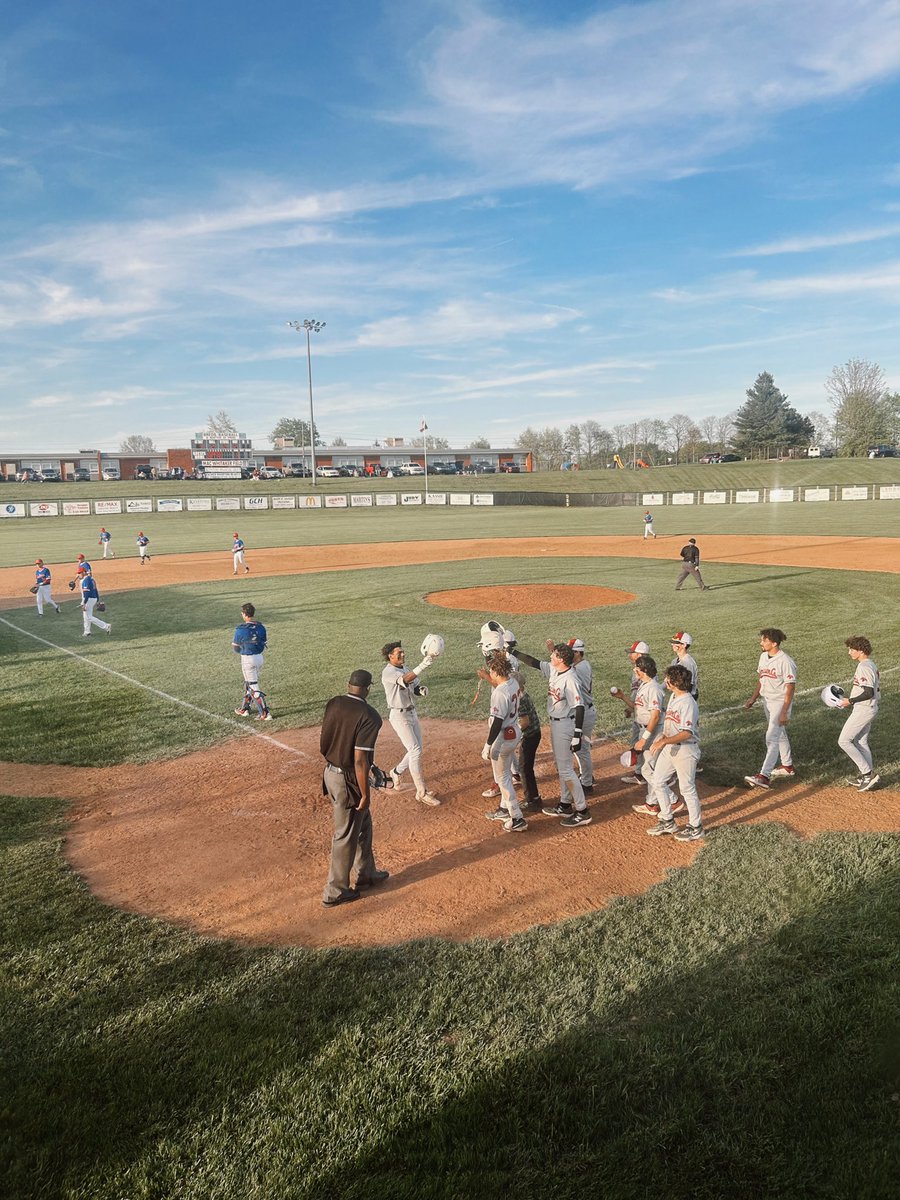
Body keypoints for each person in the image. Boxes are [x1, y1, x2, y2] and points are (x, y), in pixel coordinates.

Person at [320, 669, 390, 908]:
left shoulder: (334, 703)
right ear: (369, 689)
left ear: (348, 685)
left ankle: (365, 873)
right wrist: (365, 794)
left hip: (330, 773)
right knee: (345, 834)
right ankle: (335, 891)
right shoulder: (369, 716)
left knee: (363, 825)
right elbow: (360, 759)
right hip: (348, 779)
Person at [516, 642, 591, 826]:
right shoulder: (554, 669)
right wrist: (513, 652)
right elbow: (533, 662)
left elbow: (579, 706)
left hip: (566, 725)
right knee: (561, 766)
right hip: (556, 724)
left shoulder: (571, 678)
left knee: (566, 768)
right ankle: (565, 804)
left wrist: (577, 734)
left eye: (554, 654)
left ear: (561, 659)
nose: (550, 656)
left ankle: (582, 811)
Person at [643, 664, 703, 841]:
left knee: (687, 789)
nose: (665, 681)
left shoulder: (688, 703)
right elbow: (671, 724)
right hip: (671, 748)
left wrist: (663, 741)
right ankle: (667, 821)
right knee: (658, 781)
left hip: (686, 750)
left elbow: (687, 732)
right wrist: (662, 736)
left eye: (667, 679)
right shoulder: (675, 698)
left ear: (672, 682)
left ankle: (696, 827)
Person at [381, 640, 439, 806]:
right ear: (390, 656)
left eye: (403, 651)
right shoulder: (388, 672)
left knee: (417, 749)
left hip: (411, 713)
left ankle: (396, 772)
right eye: (399, 653)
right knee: (415, 751)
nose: (403, 654)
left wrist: (420, 691)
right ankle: (421, 792)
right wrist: (422, 665)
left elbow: (413, 685)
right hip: (399, 716)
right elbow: (405, 680)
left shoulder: (405, 669)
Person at [743, 628, 797, 789]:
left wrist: (784, 711)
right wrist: (753, 698)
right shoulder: (763, 657)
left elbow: (790, 687)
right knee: (779, 735)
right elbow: (762, 679)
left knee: (771, 738)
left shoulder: (785, 661)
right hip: (767, 701)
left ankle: (764, 776)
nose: (761, 642)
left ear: (774, 643)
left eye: (764, 640)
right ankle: (787, 767)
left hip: (780, 702)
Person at [545, 636, 597, 793]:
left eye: (570, 651)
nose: (568, 653)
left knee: (582, 750)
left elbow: (563, 669)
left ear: (578, 653)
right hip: (582, 710)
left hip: (584, 711)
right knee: (581, 750)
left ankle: (587, 782)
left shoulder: (579, 668)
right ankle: (587, 776)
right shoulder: (581, 664)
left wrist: (554, 652)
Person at [482, 654, 527, 833]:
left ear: (495, 671)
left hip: (502, 737)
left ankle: (516, 818)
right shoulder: (513, 683)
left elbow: (497, 722)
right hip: (514, 732)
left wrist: (488, 744)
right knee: (506, 772)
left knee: (503, 779)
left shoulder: (500, 692)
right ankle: (503, 809)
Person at [837, 636, 880, 792]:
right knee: (861, 742)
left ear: (860, 651)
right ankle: (867, 777)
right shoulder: (869, 664)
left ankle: (868, 774)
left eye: (851, 649)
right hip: (868, 708)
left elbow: (868, 692)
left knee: (844, 741)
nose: (849, 652)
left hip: (864, 708)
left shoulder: (864, 667)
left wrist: (850, 701)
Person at [232, 602, 272, 720]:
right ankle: (245, 709)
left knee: (253, 686)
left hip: (248, 659)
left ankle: (265, 713)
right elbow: (264, 642)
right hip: (259, 658)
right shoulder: (261, 627)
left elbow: (235, 647)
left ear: (244, 614)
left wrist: (243, 651)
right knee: (249, 683)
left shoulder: (240, 630)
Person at [516, 679, 543, 813]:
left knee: (524, 768)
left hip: (529, 737)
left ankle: (532, 800)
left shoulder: (519, 699)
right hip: (535, 734)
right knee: (526, 768)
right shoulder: (524, 695)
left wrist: (515, 734)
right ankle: (534, 798)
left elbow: (524, 722)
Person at [78, 565, 111, 637]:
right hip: (93, 598)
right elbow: (95, 590)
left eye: (80, 573)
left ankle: (106, 626)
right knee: (86, 616)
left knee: (89, 616)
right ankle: (87, 632)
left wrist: (84, 603)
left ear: (84, 572)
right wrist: (97, 599)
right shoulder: (91, 579)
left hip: (89, 599)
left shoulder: (85, 580)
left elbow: (86, 593)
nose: (79, 574)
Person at [669, 632, 699, 700]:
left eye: (676, 642)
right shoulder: (674, 661)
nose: (672, 644)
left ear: (684, 645)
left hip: (687, 698)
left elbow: (689, 686)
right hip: (678, 695)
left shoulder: (688, 663)